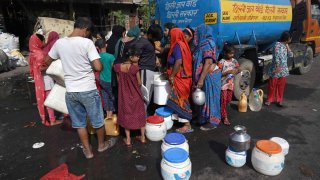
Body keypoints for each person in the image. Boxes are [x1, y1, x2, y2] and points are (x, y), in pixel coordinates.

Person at [45, 17, 115, 159]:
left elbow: (47, 60)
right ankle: (101, 146)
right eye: (88, 32)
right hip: (88, 89)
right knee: (97, 121)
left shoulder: (59, 43)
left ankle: (88, 151)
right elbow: (98, 67)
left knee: (79, 123)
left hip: (71, 91)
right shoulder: (87, 43)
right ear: (85, 29)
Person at [114, 47, 146, 147]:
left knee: (126, 115)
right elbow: (139, 83)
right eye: (137, 56)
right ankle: (143, 137)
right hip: (135, 95)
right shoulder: (135, 68)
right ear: (131, 57)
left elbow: (119, 81)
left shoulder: (117, 67)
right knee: (140, 114)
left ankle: (128, 140)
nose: (138, 58)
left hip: (124, 95)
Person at [193, 24, 222, 131]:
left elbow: (208, 62)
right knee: (203, 98)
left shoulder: (208, 43)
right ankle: (203, 118)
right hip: (205, 75)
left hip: (209, 76)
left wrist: (201, 79)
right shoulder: (202, 44)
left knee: (211, 98)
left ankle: (212, 121)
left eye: (198, 33)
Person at [167, 28, 193, 133]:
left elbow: (178, 61)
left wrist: (172, 75)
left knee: (182, 100)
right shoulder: (183, 45)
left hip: (179, 77)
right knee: (180, 100)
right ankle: (182, 120)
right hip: (185, 77)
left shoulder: (178, 45)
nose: (170, 38)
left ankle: (187, 125)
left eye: (170, 36)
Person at [135, 24, 163, 112]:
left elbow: (157, 50)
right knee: (145, 95)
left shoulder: (149, 42)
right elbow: (135, 57)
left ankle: (144, 116)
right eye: (155, 39)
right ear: (150, 35)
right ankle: (141, 119)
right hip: (145, 71)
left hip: (149, 71)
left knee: (148, 95)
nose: (156, 41)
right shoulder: (142, 42)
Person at [265, 31, 292, 107]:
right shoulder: (277, 45)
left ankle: (279, 100)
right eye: (290, 38)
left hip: (283, 70)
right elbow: (276, 56)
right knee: (272, 85)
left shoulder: (285, 45)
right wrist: (277, 66)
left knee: (281, 86)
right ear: (287, 39)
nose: (291, 40)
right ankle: (269, 99)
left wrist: (288, 47)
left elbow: (290, 55)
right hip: (276, 68)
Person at [42, 31, 64, 126]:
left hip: (47, 76)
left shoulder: (44, 48)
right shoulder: (54, 47)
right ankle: (53, 119)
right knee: (52, 95)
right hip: (49, 76)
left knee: (52, 94)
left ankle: (54, 117)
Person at [218, 43, 239, 125]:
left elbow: (238, 68)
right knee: (223, 101)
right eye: (230, 53)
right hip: (223, 85)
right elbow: (218, 74)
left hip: (230, 84)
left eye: (233, 53)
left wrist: (236, 71)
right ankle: (224, 117)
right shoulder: (221, 62)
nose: (232, 55)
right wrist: (228, 72)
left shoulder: (234, 61)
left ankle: (221, 111)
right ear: (225, 53)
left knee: (228, 100)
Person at [95, 39, 116, 119]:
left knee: (105, 97)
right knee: (112, 97)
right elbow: (113, 68)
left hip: (101, 80)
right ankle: (110, 114)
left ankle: (107, 115)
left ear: (97, 47)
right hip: (110, 80)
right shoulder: (111, 57)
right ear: (106, 45)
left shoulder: (97, 57)